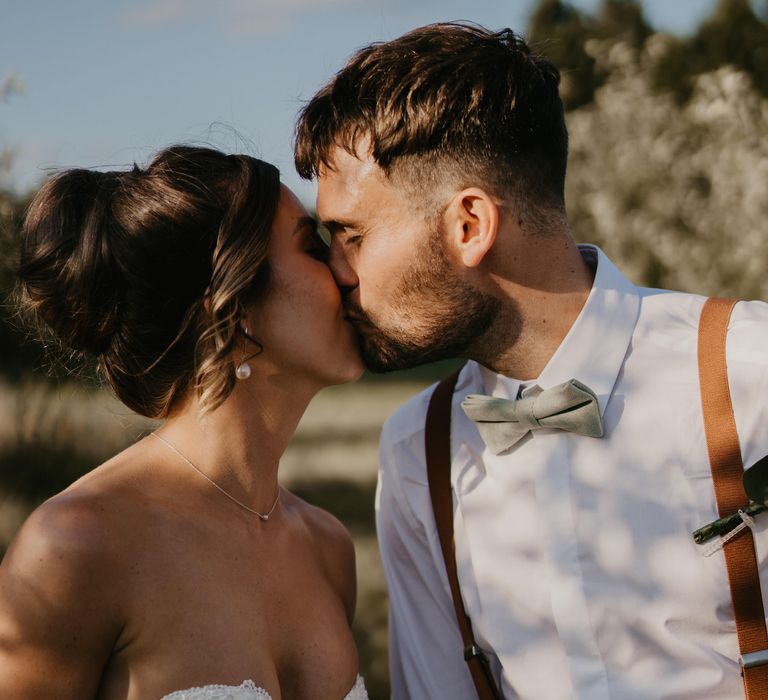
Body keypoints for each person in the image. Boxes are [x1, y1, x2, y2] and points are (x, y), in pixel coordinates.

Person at [294, 22, 768, 699]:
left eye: (352, 236)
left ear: (469, 227)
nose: (335, 272)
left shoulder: (752, 371)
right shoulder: (413, 454)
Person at [0, 145, 370, 700]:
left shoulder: (328, 547)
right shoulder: (74, 549)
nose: (346, 270)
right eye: (313, 246)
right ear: (232, 306)